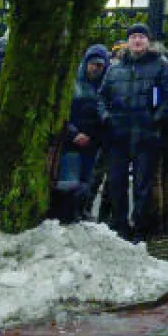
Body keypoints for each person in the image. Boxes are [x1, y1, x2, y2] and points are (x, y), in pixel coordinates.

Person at [97, 23, 168, 240]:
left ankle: (140, 228)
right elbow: (101, 96)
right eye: (133, 37)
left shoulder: (161, 65)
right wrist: (106, 117)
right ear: (128, 41)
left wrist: (156, 118)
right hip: (118, 135)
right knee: (116, 183)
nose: (137, 40)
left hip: (146, 135)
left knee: (143, 186)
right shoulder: (115, 68)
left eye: (141, 37)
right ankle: (119, 225)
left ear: (148, 41)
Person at [55, 44, 109, 222]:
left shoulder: (105, 87)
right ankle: (67, 216)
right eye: (92, 64)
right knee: (69, 182)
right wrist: (73, 134)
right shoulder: (72, 84)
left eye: (100, 65)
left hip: (93, 144)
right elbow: (61, 114)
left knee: (87, 182)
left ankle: (81, 213)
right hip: (72, 141)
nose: (95, 68)